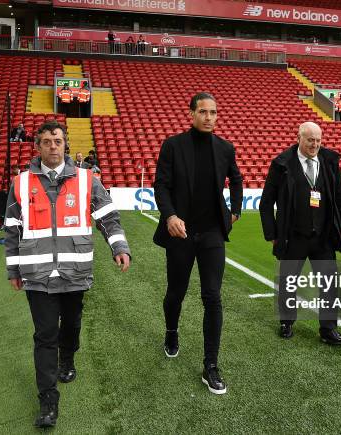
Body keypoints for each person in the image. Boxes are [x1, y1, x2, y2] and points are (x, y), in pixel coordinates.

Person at [4, 121, 131, 428]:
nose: (52, 146)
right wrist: (13, 268)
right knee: (45, 335)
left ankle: (69, 358)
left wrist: (119, 247)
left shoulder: (88, 179)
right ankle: (48, 399)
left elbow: (108, 218)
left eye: (57, 141)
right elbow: (11, 230)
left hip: (75, 271)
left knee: (71, 325)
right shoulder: (21, 183)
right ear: (37, 146)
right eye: (46, 141)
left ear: (65, 144)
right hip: (37, 274)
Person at [153, 92, 243, 395]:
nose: (209, 117)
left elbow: (237, 179)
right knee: (176, 292)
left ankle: (211, 365)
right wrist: (170, 216)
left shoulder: (225, 148)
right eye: (203, 111)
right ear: (191, 113)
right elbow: (161, 185)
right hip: (181, 232)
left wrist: (236, 210)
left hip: (212, 233)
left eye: (213, 112)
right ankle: (171, 331)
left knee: (213, 296)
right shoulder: (173, 145)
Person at [259, 122, 341, 345]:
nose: (315, 144)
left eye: (319, 140)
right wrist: (272, 233)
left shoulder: (329, 161)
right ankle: (286, 322)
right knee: (288, 282)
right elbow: (266, 202)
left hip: (323, 235)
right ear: (299, 137)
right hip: (293, 235)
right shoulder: (282, 164)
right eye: (311, 140)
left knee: (329, 283)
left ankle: (328, 329)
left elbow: (339, 195)